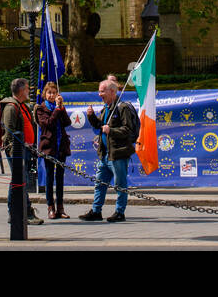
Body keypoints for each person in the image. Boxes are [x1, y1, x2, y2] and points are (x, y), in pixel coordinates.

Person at [79, 77, 139, 223]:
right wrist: (91, 117)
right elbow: (100, 126)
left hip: (118, 154)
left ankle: (119, 212)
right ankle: (96, 211)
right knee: (99, 184)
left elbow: (128, 130)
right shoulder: (106, 108)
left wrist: (111, 130)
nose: (99, 94)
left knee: (120, 184)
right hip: (105, 154)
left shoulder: (122, 107)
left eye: (102, 91)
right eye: (99, 91)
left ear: (112, 92)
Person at [0, 78, 43, 225]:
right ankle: (22, 212)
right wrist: (14, 155)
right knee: (18, 181)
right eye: (27, 88)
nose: (29, 91)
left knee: (19, 181)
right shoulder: (11, 107)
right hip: (17, 152)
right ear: (22, 90)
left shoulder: (22, 106)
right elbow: (8, 133)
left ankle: (19, 212)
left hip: (26, 150)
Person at [34, 81, 72, 219]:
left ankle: (61, 207)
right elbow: (48, 124)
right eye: (49, 93)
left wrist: (61, 109)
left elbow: (67, 122)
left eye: (54, 93)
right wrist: (56, 109)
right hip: (49, 147)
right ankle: (51, 207)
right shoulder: (40, 109)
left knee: (60, 178)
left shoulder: (60, 108)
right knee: (50, 177)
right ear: (45, 94)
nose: (51, 95)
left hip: (60, 145)